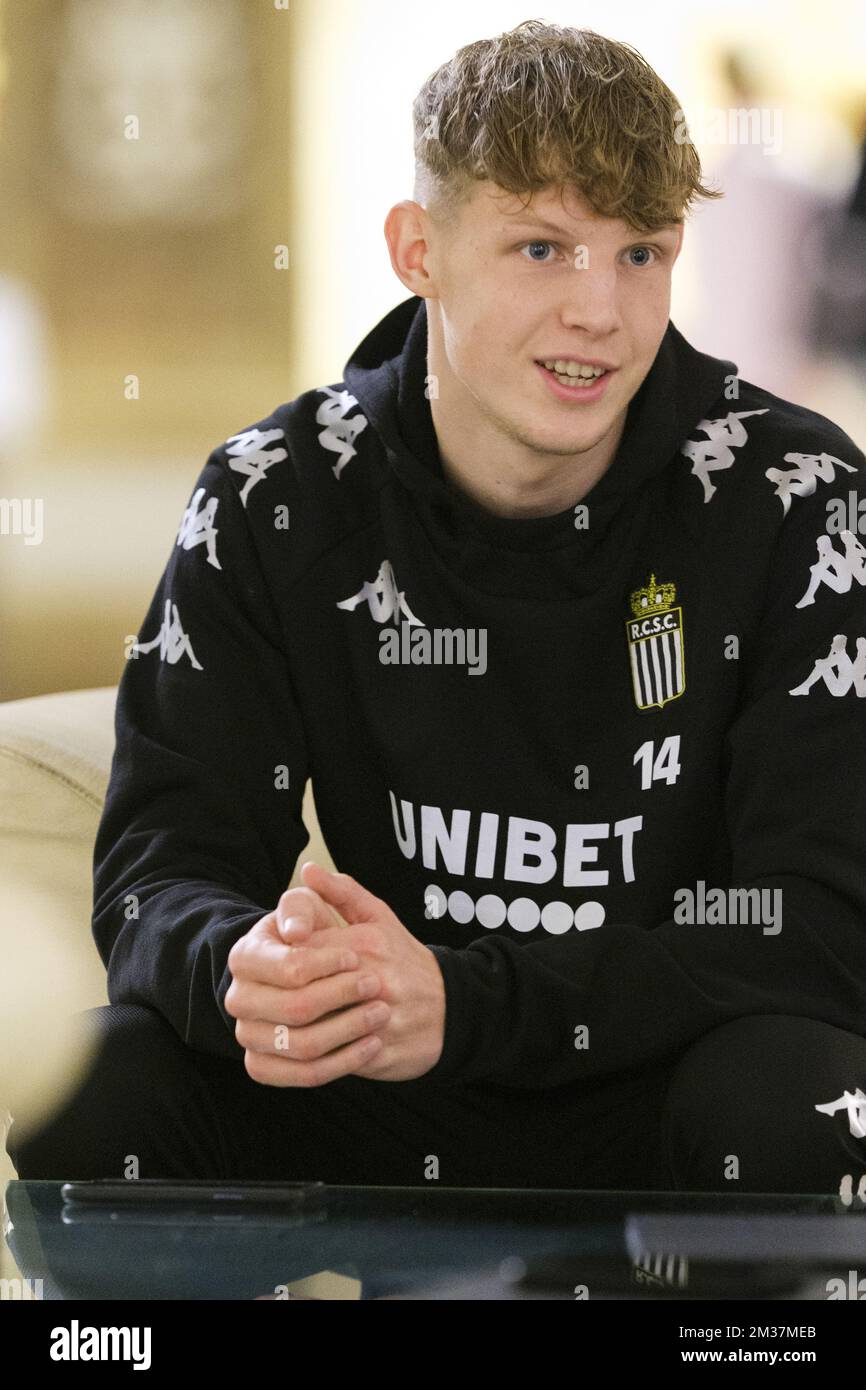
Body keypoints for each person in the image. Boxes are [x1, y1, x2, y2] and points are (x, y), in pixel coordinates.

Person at [8, 21, 866, 1195]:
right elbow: (165, 864)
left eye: (639, 255)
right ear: (419, 248)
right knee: (100, 1087)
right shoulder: (277, 494)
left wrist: (467, 1005)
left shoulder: (794, 496)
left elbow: (820, 926)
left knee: (790, 1097)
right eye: (540, 249)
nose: (599, 315)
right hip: (374, 1078)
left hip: (664, 1077)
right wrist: (247, 969)